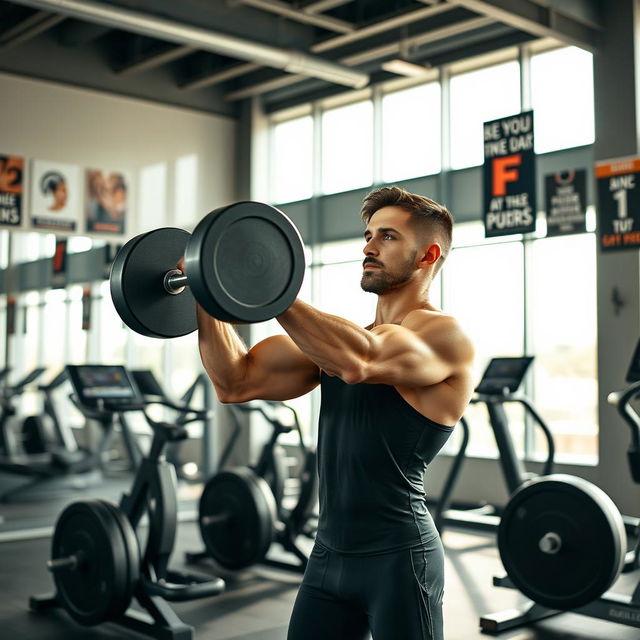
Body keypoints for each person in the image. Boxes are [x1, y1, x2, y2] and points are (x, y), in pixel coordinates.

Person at [191, 185, 475, 640]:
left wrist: (270, 286)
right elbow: (235, 380)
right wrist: (205, 288)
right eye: (368, 235)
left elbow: (359, 362)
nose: (368, 246)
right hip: (328, 558)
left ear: (427, 255)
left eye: (387, 237)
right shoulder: (341, 342)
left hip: (400, 560)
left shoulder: (443, 335)